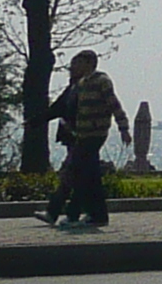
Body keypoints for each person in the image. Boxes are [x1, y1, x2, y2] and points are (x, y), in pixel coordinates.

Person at [47, 50, 125, 231]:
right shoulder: (82, 84)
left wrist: (123, 128)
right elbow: (77, 111)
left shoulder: (102, 81)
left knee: (82, 174)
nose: (74, 67)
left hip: (95, 134)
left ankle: (81, 215)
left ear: (89, 63)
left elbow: (114, 104)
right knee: (87, 176)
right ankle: (92, 215)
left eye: (78, 63)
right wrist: (71, 128)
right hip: (82, 135)